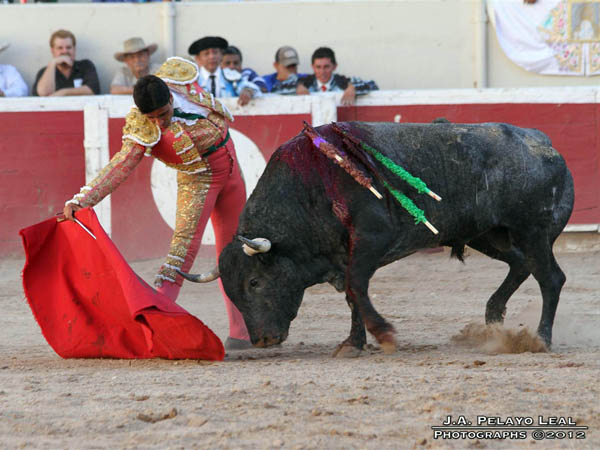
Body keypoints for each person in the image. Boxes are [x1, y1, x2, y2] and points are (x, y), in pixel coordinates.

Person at [62, 57, 250, 350]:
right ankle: (150, 331)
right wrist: (83, 199)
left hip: (233, 172)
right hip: (199, 181)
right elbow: (119, 166)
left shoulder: (180, 82)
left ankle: (242, 333)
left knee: (234, 253)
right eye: (152, 118)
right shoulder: (142, 128)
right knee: (180, 257)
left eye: (163, 114)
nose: (159, 123)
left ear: (170, 97)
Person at [188, 36, 261, 106]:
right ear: (198, 59)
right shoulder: (191, 80)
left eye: (215, 52)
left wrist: (248, 91)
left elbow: (252, 88)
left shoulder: (232, 75)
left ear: (221, 55)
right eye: (206, 54)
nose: (212, 57)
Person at [297, 46, 378, 105]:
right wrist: (296, 87)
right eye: (318, 67)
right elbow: (284, 85)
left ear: (334, 66)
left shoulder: (343, 82)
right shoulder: (304, 83)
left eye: (326, 67)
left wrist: (353, 88)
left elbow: (373, 85)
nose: (322, 71)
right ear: (313, 67)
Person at [33, 29, 100, 97]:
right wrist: (53, 63)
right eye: (60, 48)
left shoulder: (85, 66)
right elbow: (43, 94)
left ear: (74, 49)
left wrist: (63, 92)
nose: (65, 51)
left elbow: (93, 90)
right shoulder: (44, 72)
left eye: (68, 47)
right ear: (52, 51)